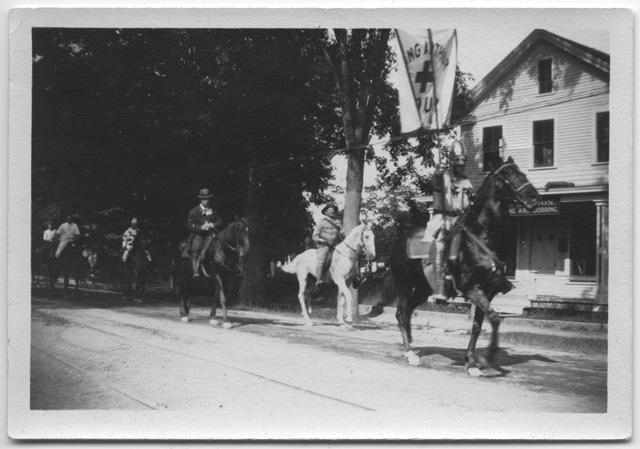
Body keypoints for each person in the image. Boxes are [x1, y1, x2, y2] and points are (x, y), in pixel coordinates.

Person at [422, 140, 475, 300]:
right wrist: (438, 173)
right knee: (442, 239)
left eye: (463, 160)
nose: (460, 163)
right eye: (457, 160)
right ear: (451, 160)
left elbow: (469, 203)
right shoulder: (443, 175)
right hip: (442, 218)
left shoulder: (466, 180)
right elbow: (436, 185)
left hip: (459, 220)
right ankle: (439, 284)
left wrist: (472, 197)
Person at [185, 189, 223, 278]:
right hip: (199, 235)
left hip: (212, 234)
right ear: (200, 200)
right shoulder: (194, 211)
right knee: (196, 248)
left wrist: (213, 224)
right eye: (204, 199)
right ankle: (195, 270)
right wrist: (201, 227)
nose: (206, 201)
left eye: (208, 199)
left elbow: (220, 221)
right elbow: (190, 225)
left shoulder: (213, 210)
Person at [312, 204, 345, 283]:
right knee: (321, 261)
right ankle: (319, 279)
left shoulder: (337, 222)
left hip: (334, 245)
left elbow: (343, 233)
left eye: (333, 210)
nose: (332, 211)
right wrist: (322, 240)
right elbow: (314, 236)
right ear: (326, 212)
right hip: (323, 246)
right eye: (330, 210)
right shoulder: (321, 222)